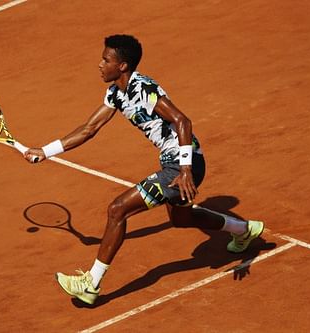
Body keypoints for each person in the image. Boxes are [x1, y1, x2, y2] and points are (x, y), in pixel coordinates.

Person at [24, 34, 264, 305]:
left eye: (106, 60)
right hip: (176, 163)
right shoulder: (116, 94)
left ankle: (91, 283)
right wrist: (46, 151)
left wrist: (184, 170)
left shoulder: (143, 88)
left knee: (118, 210)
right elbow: (88, 129)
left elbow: (183, 121)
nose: (100, 64)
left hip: (183, 163)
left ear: (122, 66)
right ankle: (244, 229)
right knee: (181, 220)